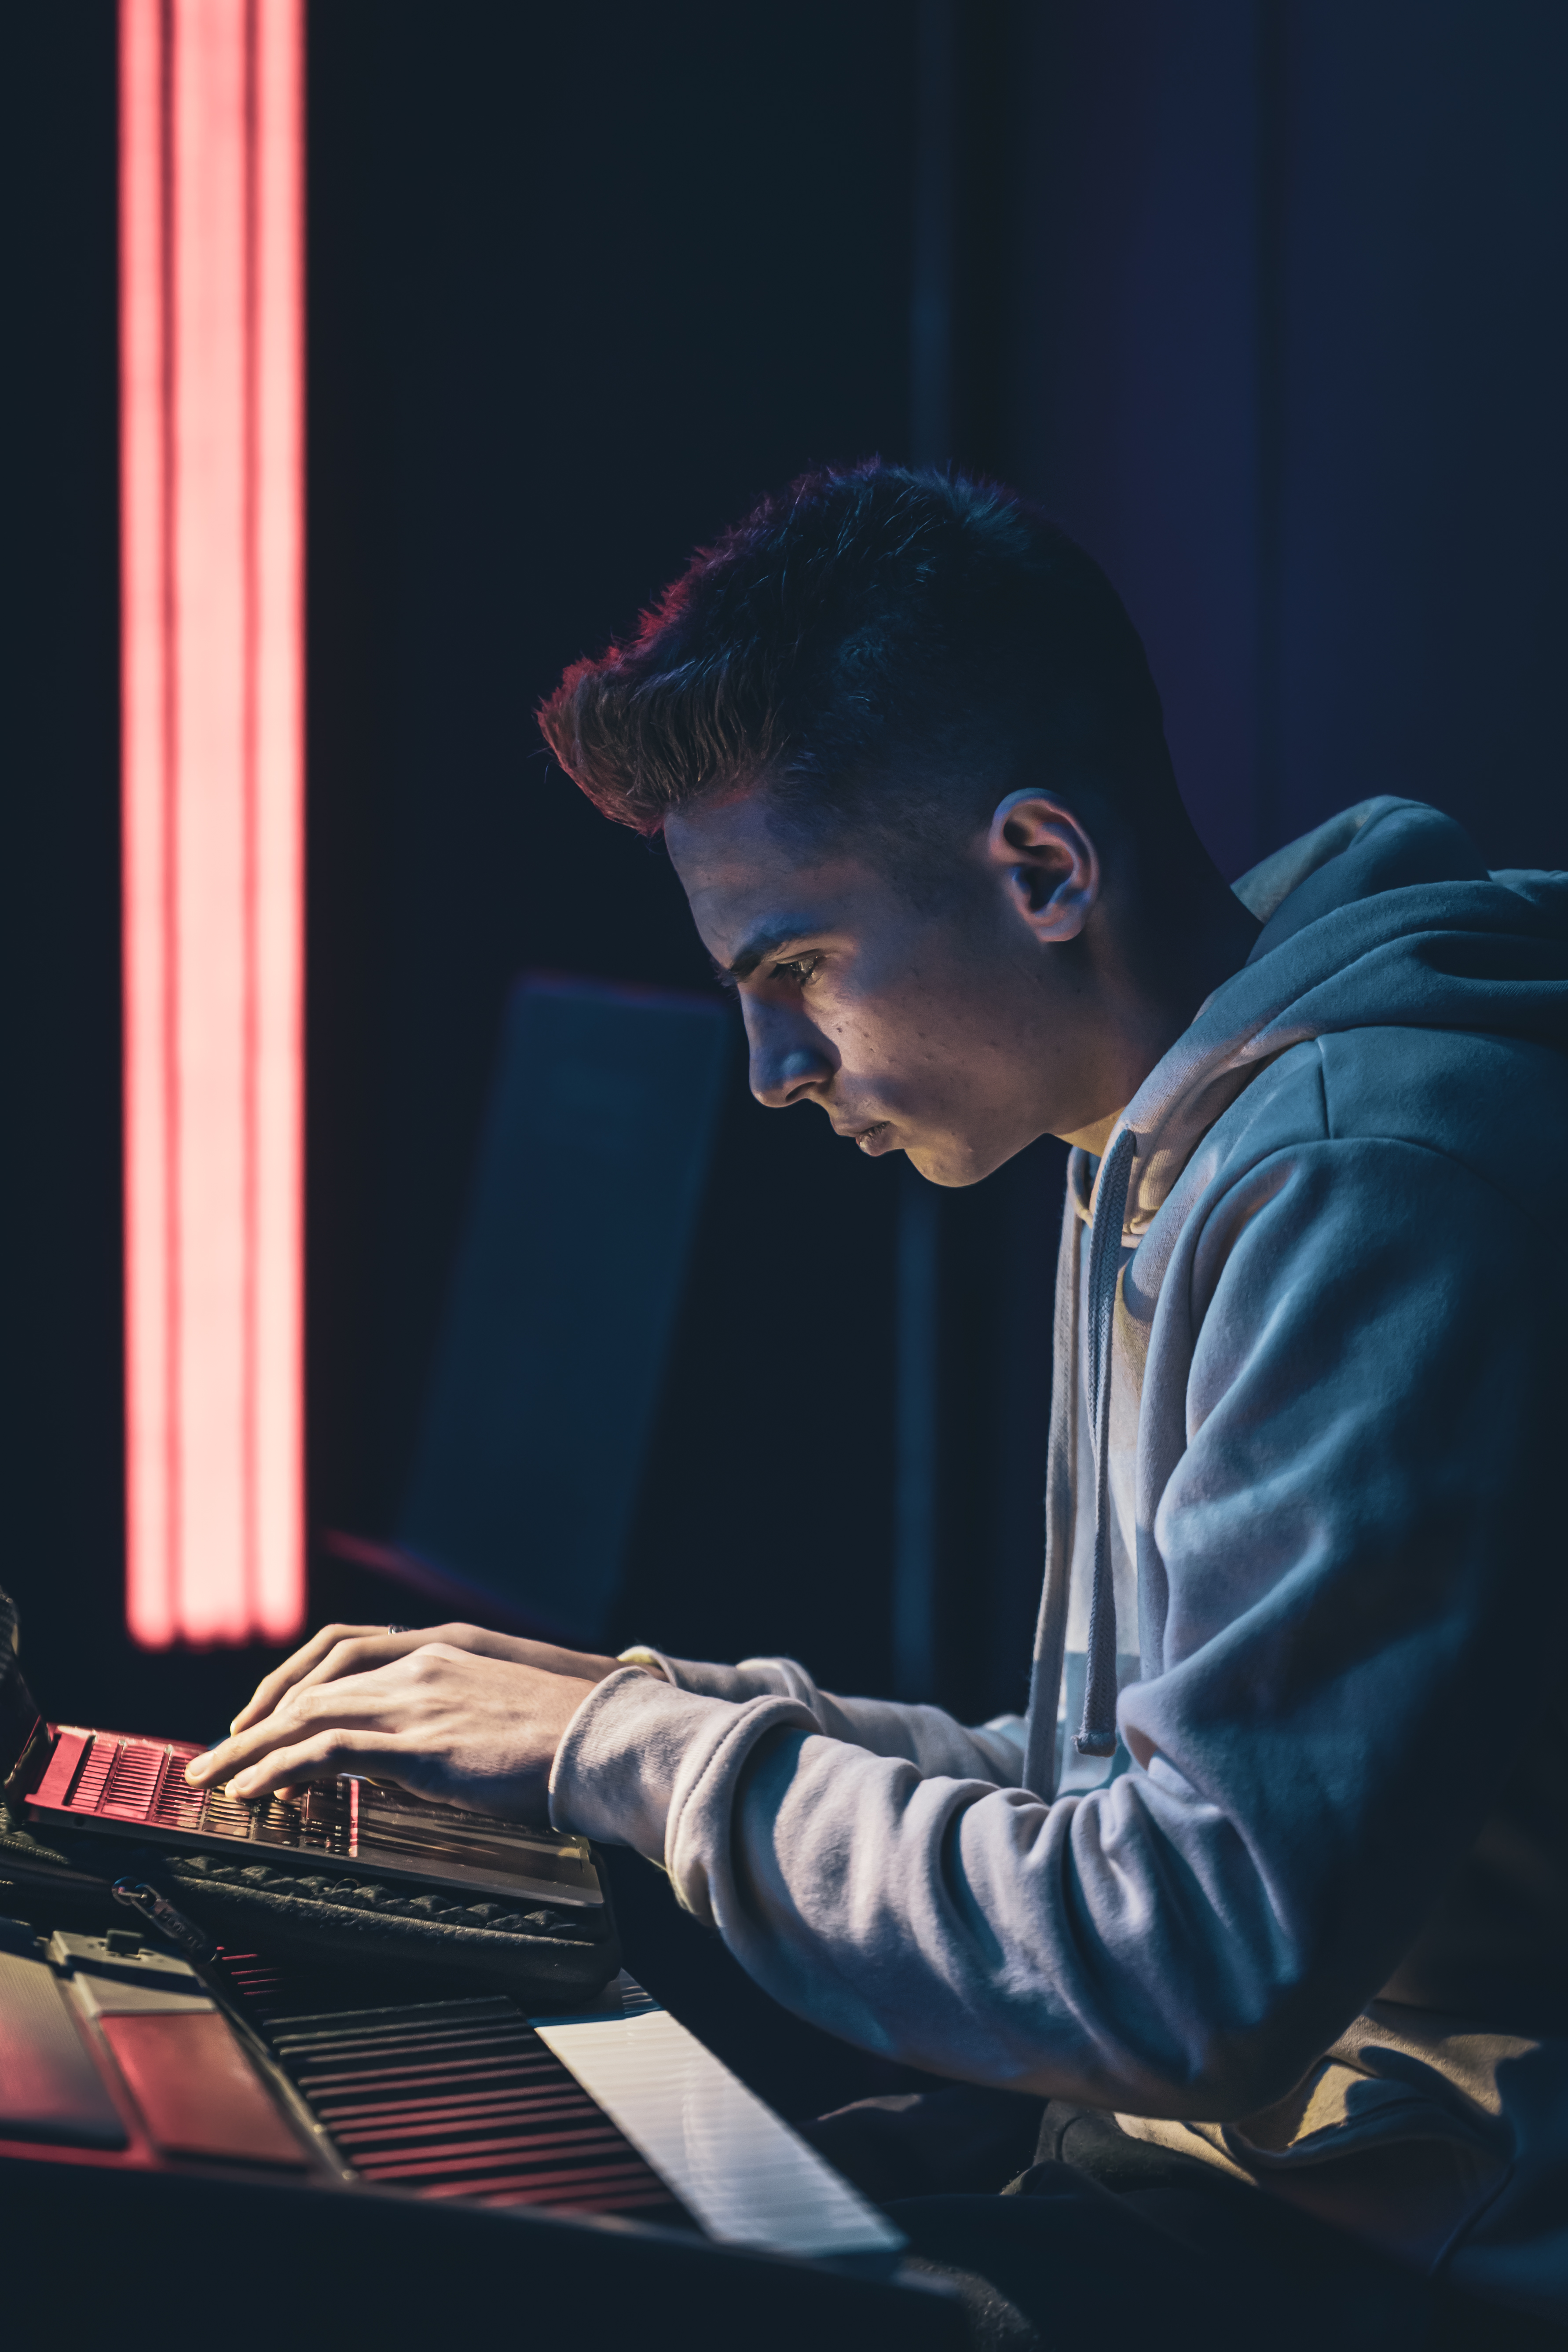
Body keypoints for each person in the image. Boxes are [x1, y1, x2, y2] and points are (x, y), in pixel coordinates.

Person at [190, 465, 1568, 2346]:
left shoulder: (1363, 1172)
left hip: (1402, 2276)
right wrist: (653, 1711)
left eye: (795, 969)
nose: (767, 1068)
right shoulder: (1175, 1140)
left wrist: (628, 1752)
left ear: (1044, 869)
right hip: (1246, 2207)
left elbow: (1196, 1963)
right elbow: (1131, 1808)